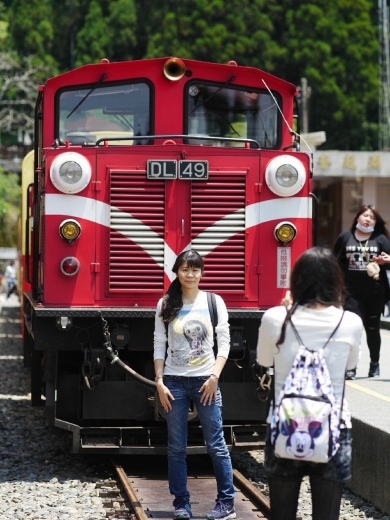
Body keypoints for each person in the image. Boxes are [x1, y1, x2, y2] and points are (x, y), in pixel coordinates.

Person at [257, 247, 362, 520]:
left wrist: (286, 311)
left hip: (285, 425)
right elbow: (351, 366)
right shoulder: (350, 321)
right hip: (334, 427)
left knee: (281, 513)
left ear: (297, 280)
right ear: (335, 280)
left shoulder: (275, 318)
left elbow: (264, 359)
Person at [153, 249, 236, 520]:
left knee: (216, 444)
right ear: (176, 272)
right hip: (174, 383)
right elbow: (159, 344)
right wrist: (159, 381)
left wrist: (214, 377)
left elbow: (224, 342)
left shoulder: (214, 301)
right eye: (185, 269)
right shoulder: (166, 303)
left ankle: (226, 503)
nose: (190, 274)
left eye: (195, 269)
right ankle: (181, 504)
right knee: (176, 446)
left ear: (202, 273)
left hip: (205, 382)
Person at [333, 204, 390, 378]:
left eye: (372, 217)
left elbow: (389, 259)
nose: (368, 219)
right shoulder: (345, 237)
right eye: (365, 215)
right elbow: (335, 262)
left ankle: (374, 363)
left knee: (372, 330)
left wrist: (385, 260)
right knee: (353, 330)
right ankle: (351, 367)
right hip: (351, 292)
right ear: (357, 217)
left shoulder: (380, 239)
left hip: (375, 292)